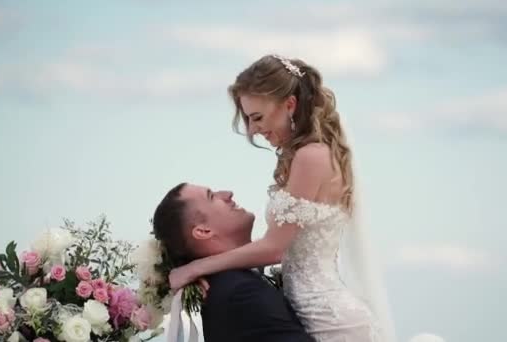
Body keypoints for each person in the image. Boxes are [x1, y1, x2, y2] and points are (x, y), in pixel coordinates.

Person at [169, 54, 395, 341]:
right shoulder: (305, 155)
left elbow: (274, 248)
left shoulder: (310, 156)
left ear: (290, 104)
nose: (252, 130)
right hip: (311, 312)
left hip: (329, 319)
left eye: (257, 118)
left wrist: (194, 267)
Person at [152, 182, 315, 342]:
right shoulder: (240, 293)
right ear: (203, 231)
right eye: (211, 196)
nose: (227, 193)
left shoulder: (229, 285)